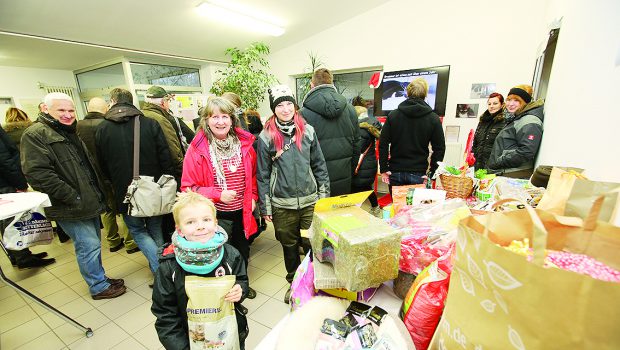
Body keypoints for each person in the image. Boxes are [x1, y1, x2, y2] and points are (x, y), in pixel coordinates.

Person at [21, 92, 126, 299]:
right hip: (70, 205)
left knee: (93, 244)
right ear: (45, 109)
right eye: (61, 110)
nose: (67, 115)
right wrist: (73, 196)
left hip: (87, 200)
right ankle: (98, 286)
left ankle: (100, 278)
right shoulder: (36, 134)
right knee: (88, 246)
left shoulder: (69, 131)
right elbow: (39, 175)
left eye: (70, 110)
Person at [257, 85, 330, 303]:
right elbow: (262, 175)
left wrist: (323, 198)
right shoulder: (266, 137)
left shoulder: (308, 131)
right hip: (282, 203)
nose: (286, 109)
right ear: (273, 109)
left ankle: (313, 280)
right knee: (289, 246)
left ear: (295, 105)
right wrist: (266, 207)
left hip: (310, 201)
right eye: (280, 105)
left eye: (289, 103)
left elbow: (319, 166)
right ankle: (294, 283)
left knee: (311, 244)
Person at [181, 97, 258, 299]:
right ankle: (221, 291)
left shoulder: (244, 143)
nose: (220, 122)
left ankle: (241, 286)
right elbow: (188, 187)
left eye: (225, 116)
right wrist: (218, 195)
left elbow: (253, 176)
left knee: (242, 252)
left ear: (232, 119)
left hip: (242, 212)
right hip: (215, 214)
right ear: (206, 120)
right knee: (219, 254)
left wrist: (253, 197)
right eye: (215, 117)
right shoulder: (197, 148)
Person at [152, 191, 249, 349]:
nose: (201, 226)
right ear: (180, 229)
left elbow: (241, 279)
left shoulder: (230, 255)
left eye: (206, 219)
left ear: (215, 222)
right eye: (190, 222)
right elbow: (165, 314)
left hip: (228, 334)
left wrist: (240, 289)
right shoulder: (169, 267)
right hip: (190, 339)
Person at [96, 88, 175, 275]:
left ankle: (160, 271)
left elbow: (101, 164)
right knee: (155, 228)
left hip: (125, 192)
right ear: (132, 102)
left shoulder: (102, 129)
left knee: (137, 231)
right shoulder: (150, 124)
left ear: (113, 102)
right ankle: (163, 269)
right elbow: (166, 157)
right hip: (153, 188)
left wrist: (113, 182)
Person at [77, 97, 139, 254]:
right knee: (125, 205)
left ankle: (112, 240)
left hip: (93, 176)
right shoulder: (107, 126)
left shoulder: (78, 126)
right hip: (114, 173)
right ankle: (130, 242)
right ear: (104, 109)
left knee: (106, 209)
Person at [0, 125, 56, 269]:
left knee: (6, 222)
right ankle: (23, 257)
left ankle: (17, 255)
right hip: (4, 183)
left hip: (3, 182)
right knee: (11, 221)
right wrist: (20, 183)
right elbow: (5, 160)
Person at [300, 68, 360, 196]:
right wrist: (349, 170)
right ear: (332, 84)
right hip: (344, 178)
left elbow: (301, 152)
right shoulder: (350, 110)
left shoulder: (302, 114)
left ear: (312, 85)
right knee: (340, 215)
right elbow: (356, 147)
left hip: (315, 183)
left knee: (318, 215)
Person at [379, 78, 445, 190]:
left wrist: (384, 169)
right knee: (417, 208)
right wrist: (432, 173)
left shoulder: (393, 115)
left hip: (395, 172)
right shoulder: (433, 118)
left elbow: (383, 144)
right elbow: (439, 149)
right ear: (425, 94)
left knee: (397, 207)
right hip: (419, 174)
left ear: (407, 93)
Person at [487, 85, 544, 178]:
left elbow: (526, 151)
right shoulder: (517, 118)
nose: (510, 104)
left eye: (516, 100)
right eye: (509, 100)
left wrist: (500, 161)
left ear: (525, 102)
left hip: (513, 174)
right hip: (507, 171)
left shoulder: (529, 120)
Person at [141, 86, 185, 179]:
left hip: (147, 174)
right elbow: (174, 152)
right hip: (165, 175)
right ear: (162, 102)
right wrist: (184, 170)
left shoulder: (140, 116)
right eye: (168, 101)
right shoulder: (161, 120)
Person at [351, 105, 381, 215]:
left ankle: (371, 208)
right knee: (365, 187)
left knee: (358, 188)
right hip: (368, 163)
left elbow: (358, 149)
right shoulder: (369, 127)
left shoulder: (360, 130)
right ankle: (375, 207)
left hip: (362, 165)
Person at [472, 93, 507, 170]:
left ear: (502, 105)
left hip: (494, 165)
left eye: (495, 103)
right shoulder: (483, 121)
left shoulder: (505, 121)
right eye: (489, 104)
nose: (491, 106)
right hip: (478, 163)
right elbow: (475, 142)